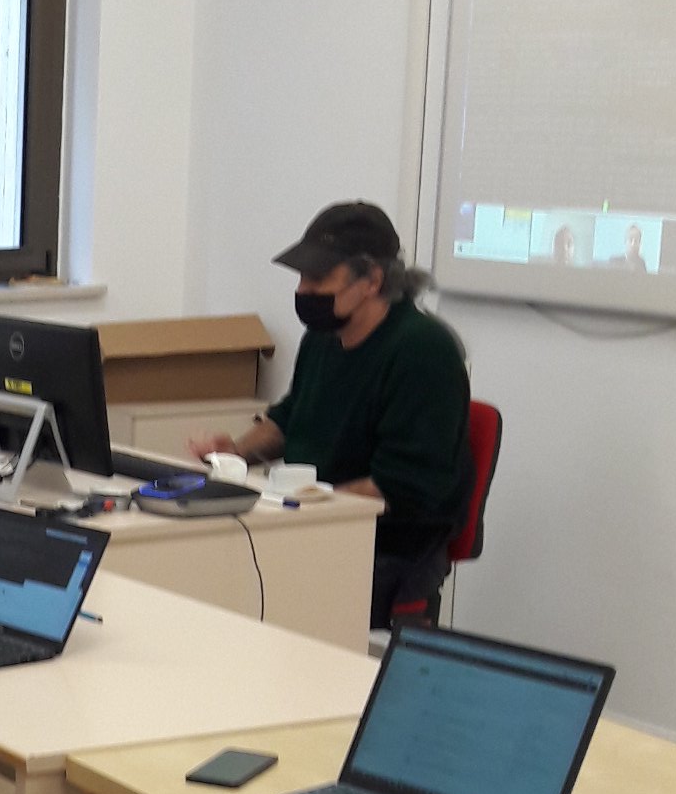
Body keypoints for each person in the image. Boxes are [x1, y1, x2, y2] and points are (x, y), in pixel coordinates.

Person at [191, 202, 470, 630]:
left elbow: (401, 487)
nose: (303, 290)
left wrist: (302, 508)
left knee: (234, 590)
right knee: (210, 570)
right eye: (302, 277)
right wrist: (236, 453)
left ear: (372, 280)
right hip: (315, 526)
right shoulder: (323, 337)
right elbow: (291, 418)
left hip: (388, 548)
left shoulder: (422, 351)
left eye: (318, 278)